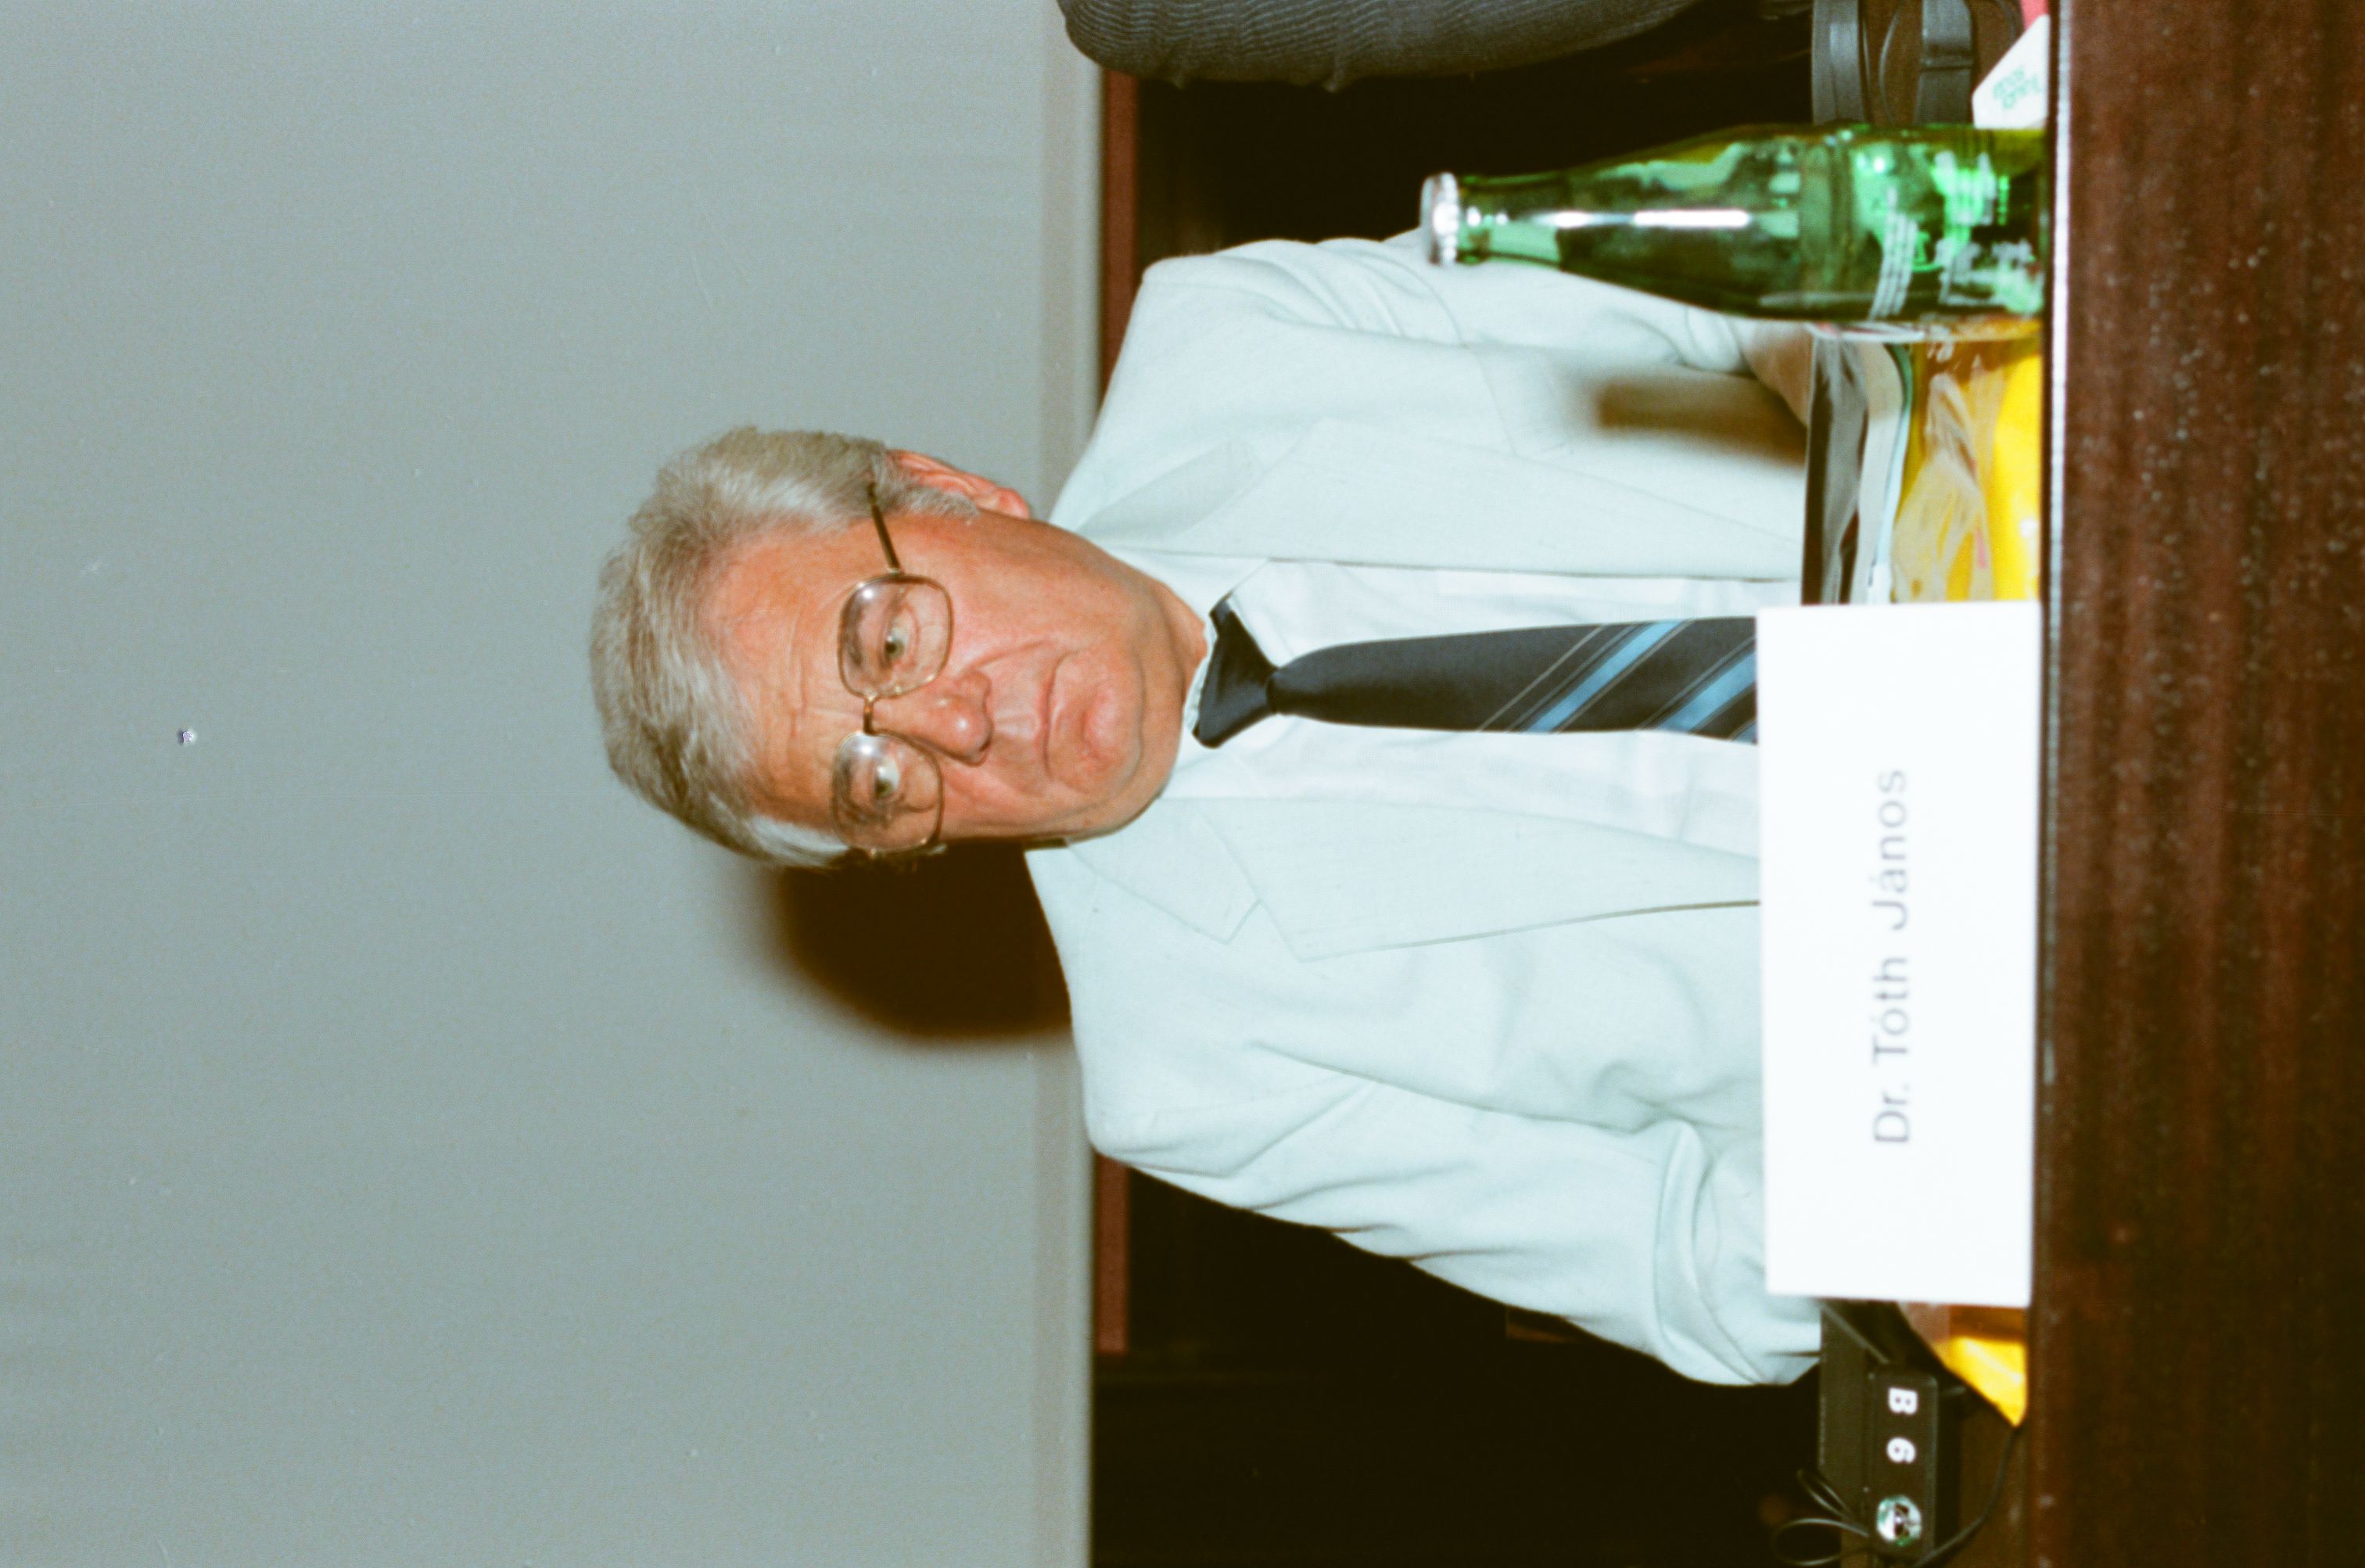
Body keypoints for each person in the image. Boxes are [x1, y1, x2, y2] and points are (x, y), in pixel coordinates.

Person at [590, 232, 1821, 1384]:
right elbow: (1693, 1273)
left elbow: (1720, 273)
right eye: (876, 781)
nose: (956, 727)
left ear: (949, 492)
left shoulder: (1238, 337)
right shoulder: (1188, 1071)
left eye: (894, 640)